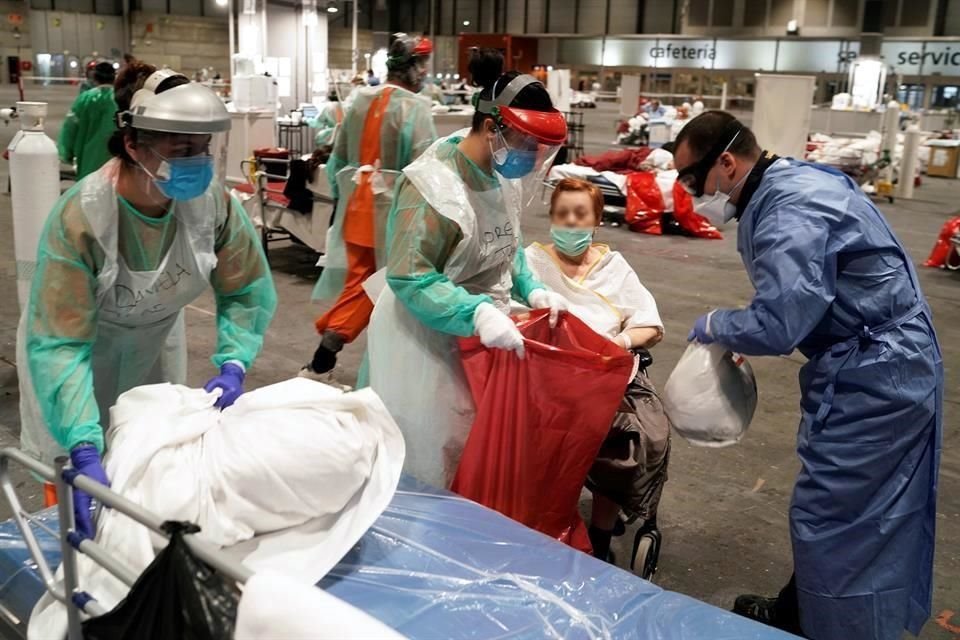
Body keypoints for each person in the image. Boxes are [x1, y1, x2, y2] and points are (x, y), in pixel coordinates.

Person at [675, 111, 942, 640]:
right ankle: (802, 610)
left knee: (832, 514)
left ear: (726, 163)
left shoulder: (787, 210)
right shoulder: (790, 179)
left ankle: (832, 628)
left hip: (876, 373)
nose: (687, 192)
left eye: (691, 179)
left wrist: (718, 325)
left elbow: (779, 323)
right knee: (866, 510)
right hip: (891, 357)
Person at [18, 63, 278, 540]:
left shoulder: (212, 204)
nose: (197, 162)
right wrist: (81, 445)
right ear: (134, 145)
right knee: (82, 498)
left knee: (147, 466)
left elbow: (245, 290)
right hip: (77, 360)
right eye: (181, 150)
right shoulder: (83, 218)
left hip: (153, 343)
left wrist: (235, 361)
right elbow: (60, 342)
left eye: (204, 150)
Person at [366, 49, 568, 488]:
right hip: (425, 338)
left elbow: (505, 241)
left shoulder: (500, 171)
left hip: (480, 335)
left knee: (475, 446)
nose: (533, 158)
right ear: (493, 127)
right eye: (528, 144)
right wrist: (473, 312)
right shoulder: (432, 186)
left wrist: (531, 287)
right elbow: (411, 275)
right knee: (430, 452)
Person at [525, 178, 668, 577]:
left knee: (631, 440)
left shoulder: (614, 268)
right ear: (551, 218)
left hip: (608, 377)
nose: (570, 223)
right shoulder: (532, 263)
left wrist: (620, 340)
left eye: (580, 214)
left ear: (597, 221)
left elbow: (650, 326)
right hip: (549, 379)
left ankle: (601, 538)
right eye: (562, 214)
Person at [303, 33, 437, 378]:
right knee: (379, 284)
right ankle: (327, 353)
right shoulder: (415, 108)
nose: (425, 72)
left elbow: (339, 159)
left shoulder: (359, 99)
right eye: (421, 64)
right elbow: (424, 167)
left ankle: (325, 353)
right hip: (394, 210)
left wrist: (343, 196)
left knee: (361, 280)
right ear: (409, 66)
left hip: (356, 203)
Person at [58, 61, 118, 180]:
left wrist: (66, 152)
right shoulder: (120, 99)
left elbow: (70, 127)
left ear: (94, 77)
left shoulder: (84, 99)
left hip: (88, 159)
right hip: (115, 161)